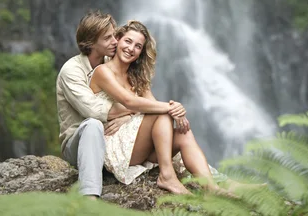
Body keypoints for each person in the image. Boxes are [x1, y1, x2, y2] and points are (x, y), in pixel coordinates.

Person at [89, 20, 221, 195]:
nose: (131, 48)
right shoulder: (102, 71)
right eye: (127, 41)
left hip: (137, 146)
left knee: (183, 134)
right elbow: (130, 102)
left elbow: (151, 104)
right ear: (118, 40)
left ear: (141, 53)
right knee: (162, 113)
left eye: (138, 46)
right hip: (114, 147)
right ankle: (167, 176)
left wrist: (172, 109)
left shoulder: (136, 77)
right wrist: (173, 107)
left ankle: (212, 188)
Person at [56, 9, 131, 198]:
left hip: (111, 139)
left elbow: (135, 95)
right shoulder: (71, 71)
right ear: (90, 43)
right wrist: (132, 108)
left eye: (115, 35)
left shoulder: (113, 63)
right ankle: (89, 198)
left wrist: (129, 116)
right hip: (78, 143)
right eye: (108, 38)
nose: (115, 41)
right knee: (92, 124)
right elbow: (94, 111)